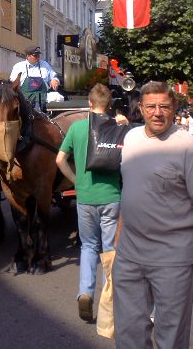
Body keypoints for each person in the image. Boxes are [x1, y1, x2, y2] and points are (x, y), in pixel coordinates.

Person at [112, 81, 193, 349]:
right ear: (141, 108)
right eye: (151, 106)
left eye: (164, 106)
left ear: (174, 108)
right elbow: (131, 192)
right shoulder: (131, 138)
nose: (157, 112)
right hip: (129, 254)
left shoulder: (188, 146)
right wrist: (117, 242)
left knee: (171, 338)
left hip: (172, 258)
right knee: (129, 336)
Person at [57, 83, 127, 322]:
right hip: (112, 196)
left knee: (88, 246)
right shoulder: (118, 127)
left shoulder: (77, 128)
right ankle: (111, 299)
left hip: (85, 197)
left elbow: (59, 160)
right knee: (110, 249)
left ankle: (85, 293)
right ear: (110, 105)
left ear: (89, 104)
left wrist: (75, 181)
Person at [10, 46, 59, 111]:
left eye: (38, 55)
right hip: (24, 100)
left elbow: (53, 76)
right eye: (35, 56)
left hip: (43, 98)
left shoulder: (45, 65)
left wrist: (54, 80)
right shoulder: (18, 67)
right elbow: (13, 84)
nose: (38, 57)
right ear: (28, 56)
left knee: (58, 98)